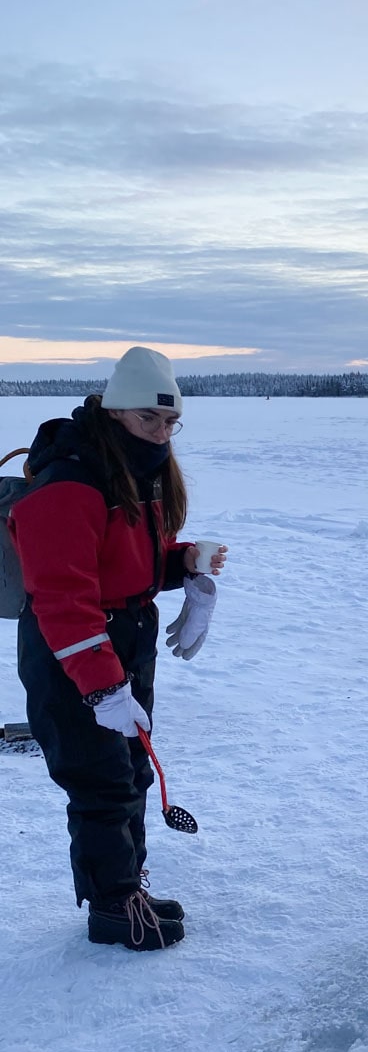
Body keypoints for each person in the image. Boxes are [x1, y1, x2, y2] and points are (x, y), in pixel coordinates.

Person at [7, 346, 225, 950]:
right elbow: (62, 596)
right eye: (149, 420)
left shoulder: (135, 474)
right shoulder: (69, 483)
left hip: (127, 636)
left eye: (170, 423)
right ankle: (111, 908)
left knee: (129, 771)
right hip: (72, 651)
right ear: (113, 411)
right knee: (99, 778)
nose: (162, 433)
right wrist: (101, 685)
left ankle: (127, 884)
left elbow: (123, 563)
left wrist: (185, 566)